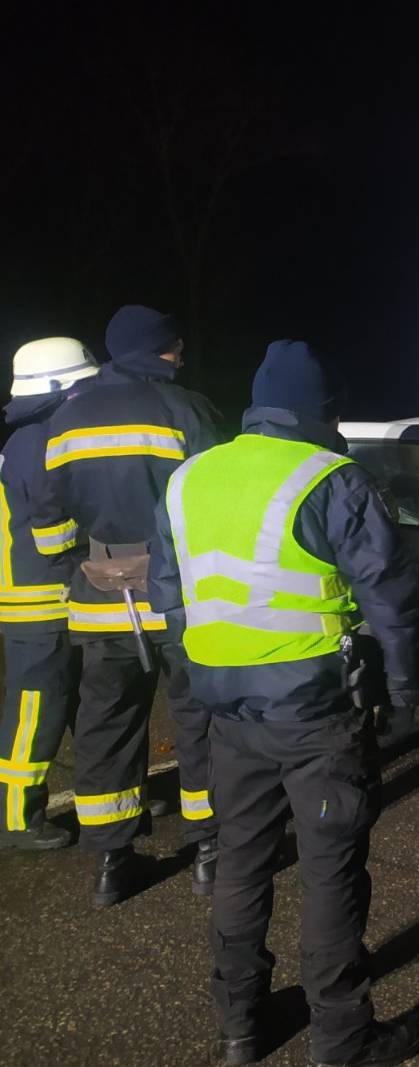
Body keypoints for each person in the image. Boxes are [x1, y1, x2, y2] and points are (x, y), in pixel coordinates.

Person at [149, 340, 419, 1067]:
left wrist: (201, 672)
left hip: (227, 716)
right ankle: (343, 1038)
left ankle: (240, 1026)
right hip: (316, 716)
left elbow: (168, 598)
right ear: (322, 408)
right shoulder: (333, 478)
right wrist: (404, 692)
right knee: (329, 870)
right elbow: (393, 599)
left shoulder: (190, 478)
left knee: (241, 863)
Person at [29, 306, 225, 904]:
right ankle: (210, 852)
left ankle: (113, 863)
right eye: (178, 346)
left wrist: (84, 568)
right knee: (200, 717)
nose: (183, 356)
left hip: (99, 601)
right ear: (164, 350)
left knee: (105, 727)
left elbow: (46, 525)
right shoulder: (184, 409)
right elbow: (216, 501)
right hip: (179, 598)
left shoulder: (65, 419)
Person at [0, 338, 100, 849]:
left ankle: (98, 797)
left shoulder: (29, 437)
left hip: (45, 597)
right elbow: (53, 529)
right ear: (60, 389)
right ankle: (16, 819)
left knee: (80, 702)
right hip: (37, 602)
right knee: (36, 709)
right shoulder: (38, 441)